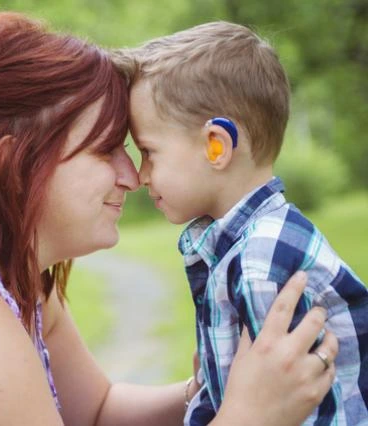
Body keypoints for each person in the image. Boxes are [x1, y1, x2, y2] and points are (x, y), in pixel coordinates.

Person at [0, 13, 337, 426]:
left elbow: (97, 411)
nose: (132, 175)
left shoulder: (13, 273)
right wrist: (248, 416)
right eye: (106, 150)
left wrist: (217, 391)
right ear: (17, 164)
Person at [116, 20, 367, 425]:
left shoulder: (261, 260)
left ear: (217, 145)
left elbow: (298, 406)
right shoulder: (245, 246)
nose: (141, 175)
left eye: (148, 151)